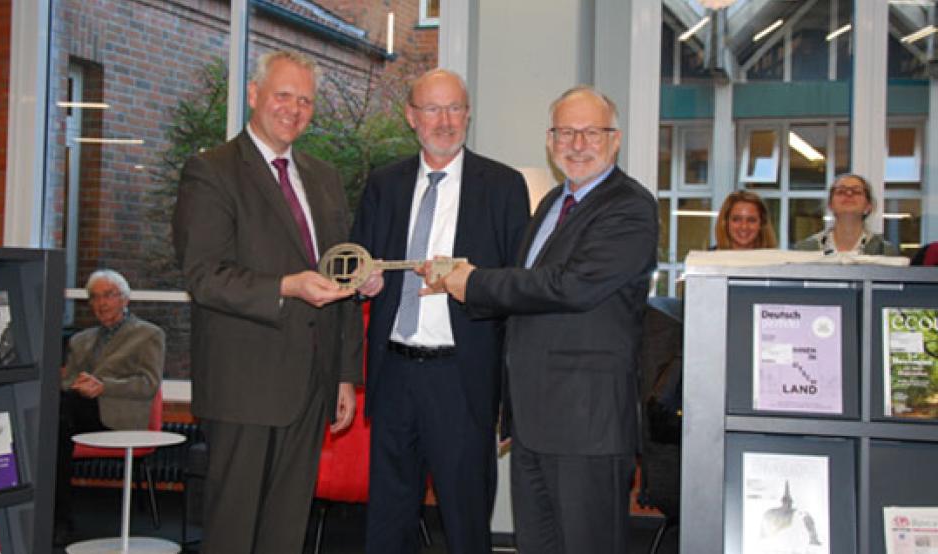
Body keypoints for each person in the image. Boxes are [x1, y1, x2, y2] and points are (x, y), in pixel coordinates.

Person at [423, 85, 658, 553]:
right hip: (533, 422)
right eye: (566, 132)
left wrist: (473, 283)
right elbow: (525, 289)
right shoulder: (553, 203)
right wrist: (457, 278)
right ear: (550, 142)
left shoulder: (630, 207)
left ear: (615, 140)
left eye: (590, 133)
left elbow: (567, 286)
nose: (576, 144)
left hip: (586, 425)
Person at [172, 50, 365, 553]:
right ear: (255, 95)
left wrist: (345, 374)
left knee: (285, 530)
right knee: (234, 532)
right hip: (244, 384)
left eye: (305, 100)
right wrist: (286, 286)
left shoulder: (323, 177)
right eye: (283, 95)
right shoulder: (211, 171)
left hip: (310, 384)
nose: (294, 109)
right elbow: (204, 276)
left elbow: (336, 275)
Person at [350, 68, 530, 554]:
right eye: (432, 109)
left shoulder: (504, 186)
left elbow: (517, 289)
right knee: (388, 520)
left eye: (455, 108)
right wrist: (363, 285)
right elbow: (357, 271)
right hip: (393, 375)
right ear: (412, 117)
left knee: (466, 520)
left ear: (468, 115)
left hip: (462, 379)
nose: (444, 120)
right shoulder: (383, 185)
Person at [54, 269, 165, 544]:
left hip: (119, 416)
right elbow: (66, 382)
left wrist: (104, 386)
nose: (102, 303)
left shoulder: (148, 335)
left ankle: (58, 520)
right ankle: (54, 516)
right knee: (55, 423)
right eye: (95, 297)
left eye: (109, 295)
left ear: (125, 299)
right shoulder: (80, 340)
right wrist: (78, 384)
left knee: (57, 422)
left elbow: (148, 384)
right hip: (77, 411)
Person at [793, 173, 899, 255]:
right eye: (841, 191)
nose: (849, 194)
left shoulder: (885, 251)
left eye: (857, 191)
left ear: (868, 206)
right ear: (830, 205)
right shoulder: (805, 249)